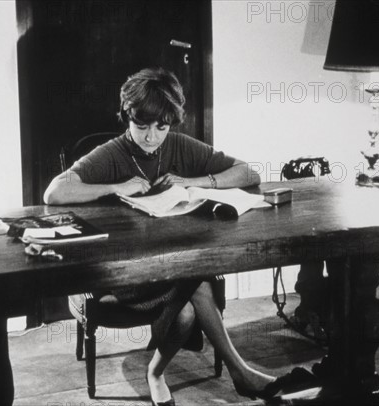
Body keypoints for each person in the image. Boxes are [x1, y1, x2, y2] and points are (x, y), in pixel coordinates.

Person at [44, 67, 278, 404]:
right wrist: (116, 186)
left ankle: (157, 372)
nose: (152, 137)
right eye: (142, 126)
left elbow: (248, 171)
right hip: (125, 272)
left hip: (173, 265)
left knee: (185, 310)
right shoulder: (113, 152)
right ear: (127, 118)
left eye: (161, 127)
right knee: (197, 284)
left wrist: (197, 182)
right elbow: (54, 193)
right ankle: (237, 374)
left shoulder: (179, 146)